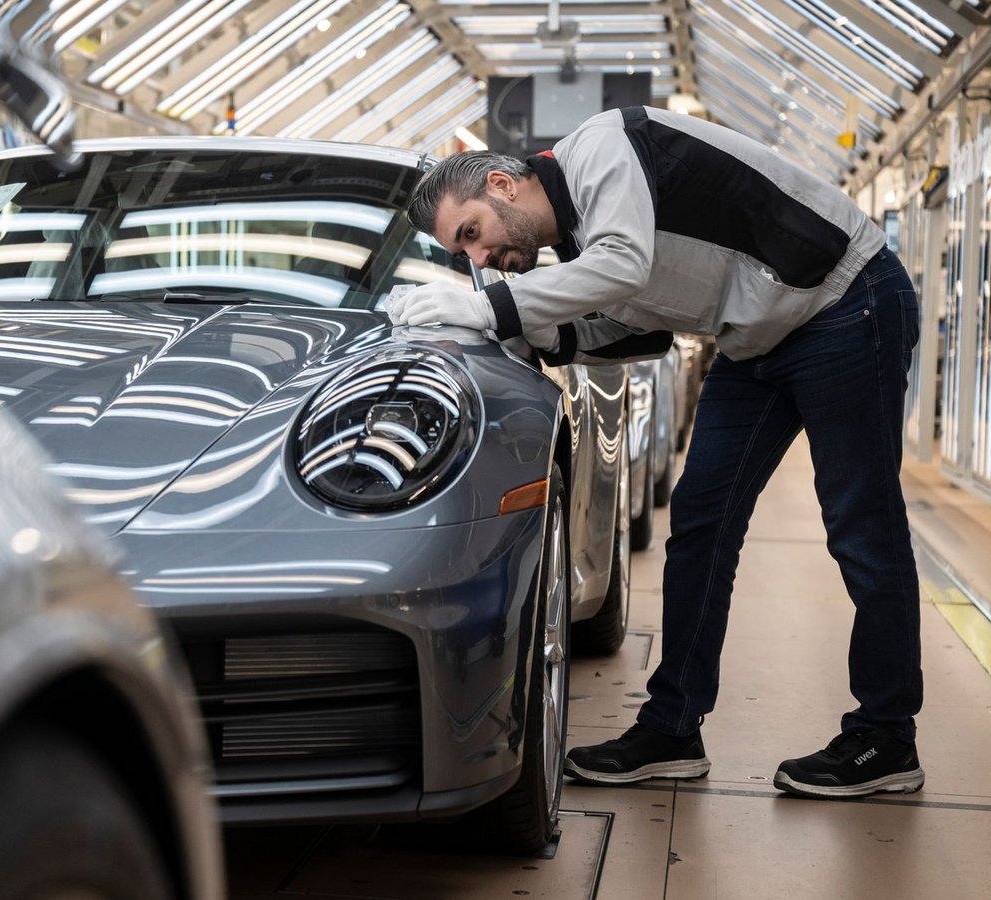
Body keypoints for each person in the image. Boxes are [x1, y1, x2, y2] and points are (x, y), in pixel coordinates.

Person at [388, 105, 924, 799]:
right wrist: (546, 338)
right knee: (699, 524)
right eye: (464, 258)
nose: (481, 260)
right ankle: (672, 729)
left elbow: (626, 265)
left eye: (474, 235)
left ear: (503, 184)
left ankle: (886, 738)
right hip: (757, 340)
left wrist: (488, 308)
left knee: (862, 526)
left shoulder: (604, 147)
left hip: (847, 306)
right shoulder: (583, 244)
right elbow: (642, 332)